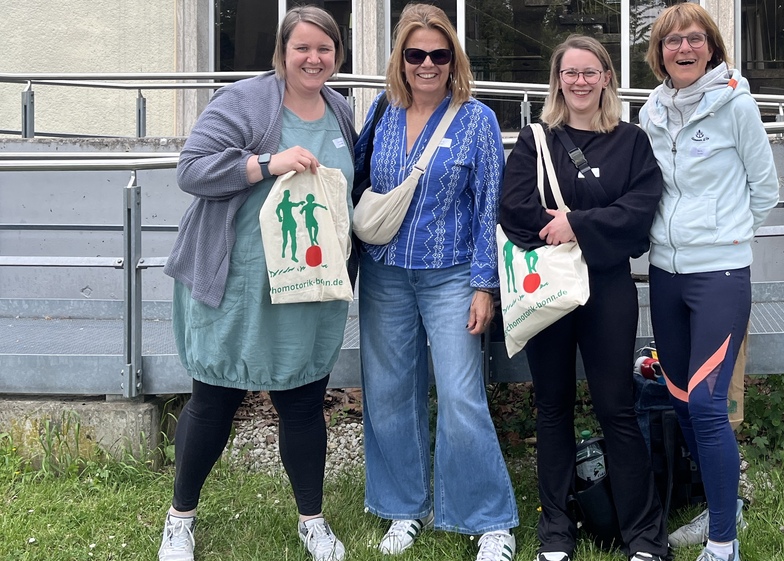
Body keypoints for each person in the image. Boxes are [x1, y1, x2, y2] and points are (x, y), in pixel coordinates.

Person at [157, 6, 357, 561]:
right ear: (282, 52)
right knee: (215, 399)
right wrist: (265, 162)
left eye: (325, 49)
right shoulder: (245, 101)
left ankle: (312, 521)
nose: (314, 58)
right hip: (239, 285)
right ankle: (179, 519)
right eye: (303, 48)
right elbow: (191, 167)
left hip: (307, 287)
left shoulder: (340, 110)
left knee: (302, 404)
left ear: (337, 56)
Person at [352, 4, 518, 561]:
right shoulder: (380, 112)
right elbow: (355, 184)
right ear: (400, 59)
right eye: (415, 53)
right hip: (385, 275)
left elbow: (486, 209)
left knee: (460, 394)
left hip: (451, 276)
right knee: (390, 394)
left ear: (454, 60)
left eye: (438, 54)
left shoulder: (477, 120)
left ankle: (489, 519)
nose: (427, 64)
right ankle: (404, 508)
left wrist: (482, 285)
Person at [499, 35, 669, 561]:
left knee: (616, 408)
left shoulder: (632, 142)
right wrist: (582, 226)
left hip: (608, 290)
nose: (579, 81)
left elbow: (641, 211)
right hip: (547, 289)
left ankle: (643, 537)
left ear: (606, 79)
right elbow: (514, 208)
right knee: (552, 409)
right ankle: (557, 532)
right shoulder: (536, 140)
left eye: (589, 72)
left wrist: (576, 224)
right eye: (569, 73)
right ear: (558, 80)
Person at [639, 4, 780, 561]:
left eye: (694, 38)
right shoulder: (651, 111)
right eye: (672, 41)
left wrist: (727, 240)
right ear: (659, 53)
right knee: (678, 400)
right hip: (665, 274)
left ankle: (725, 543)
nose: (684, 48)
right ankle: (724, 507)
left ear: (712, 45)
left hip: (718, 274)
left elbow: (764, 189)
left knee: (705, 403)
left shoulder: (736, 105)